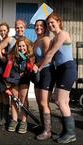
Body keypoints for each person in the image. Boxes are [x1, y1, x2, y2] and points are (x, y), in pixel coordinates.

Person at [36, 13, 77, 143]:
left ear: (59, 22)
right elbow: (50, 56)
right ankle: (66, 131)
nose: (50, 25)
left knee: (61, 101)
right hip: (60, 70)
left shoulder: (63, 34)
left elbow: (50, 54)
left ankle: (70, 133)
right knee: (61, 102)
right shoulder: (53, 39)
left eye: (52, 22)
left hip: (67, 68)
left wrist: (40, 67)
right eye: (48, 24)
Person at [0, 19, 32, 134]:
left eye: (21, 27)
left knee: (23, 98)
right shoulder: (10, 39)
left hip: (24, 74)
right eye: (17, 27)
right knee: (14, 98)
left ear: (25, 28)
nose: (19, 29)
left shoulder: (29, 41)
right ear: (14, 28)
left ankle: (23, 122)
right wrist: (4, 59)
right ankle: (14, 120)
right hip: (13, 73)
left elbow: (32, 56)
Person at [33, 19, 55, 140]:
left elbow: (49, 57)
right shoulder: (36, 41)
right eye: (36, 26)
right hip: (38, 73)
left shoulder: (46, 39)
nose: (38, 27)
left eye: (41, 25)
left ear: (45, 28)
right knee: (38, 101)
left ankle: (48, 131)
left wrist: (38, 66)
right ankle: (43, 126)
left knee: (43, 102)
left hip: (47, 72)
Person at [0, 22, 10, 126]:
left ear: (8, 30)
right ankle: (1, 115)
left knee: (5, 93)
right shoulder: (1, 40)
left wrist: (3, 56)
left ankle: (6, 117)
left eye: (4, 30)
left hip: (7, 69)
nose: (3, 32)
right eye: (1, 30)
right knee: (0, 92)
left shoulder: (10, 40)